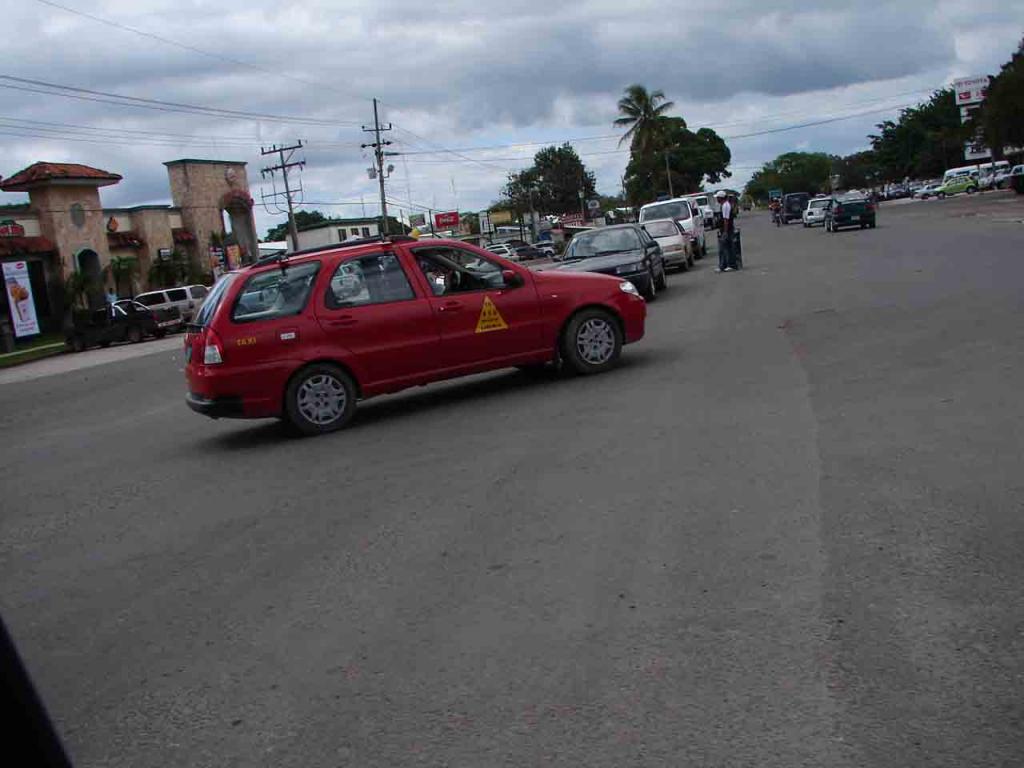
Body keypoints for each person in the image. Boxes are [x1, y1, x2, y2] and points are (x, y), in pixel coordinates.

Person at [716, 190, 735, 272]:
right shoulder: (724, 205)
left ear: (720, 198)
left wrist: (725, 232)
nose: (716, 199)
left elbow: (726, 220)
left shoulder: (725, 206)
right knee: (724, 248)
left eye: (717, 198)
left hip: (727, 230)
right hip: (726, 229)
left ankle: (729, 265)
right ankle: (723, 266)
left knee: (725, 248)